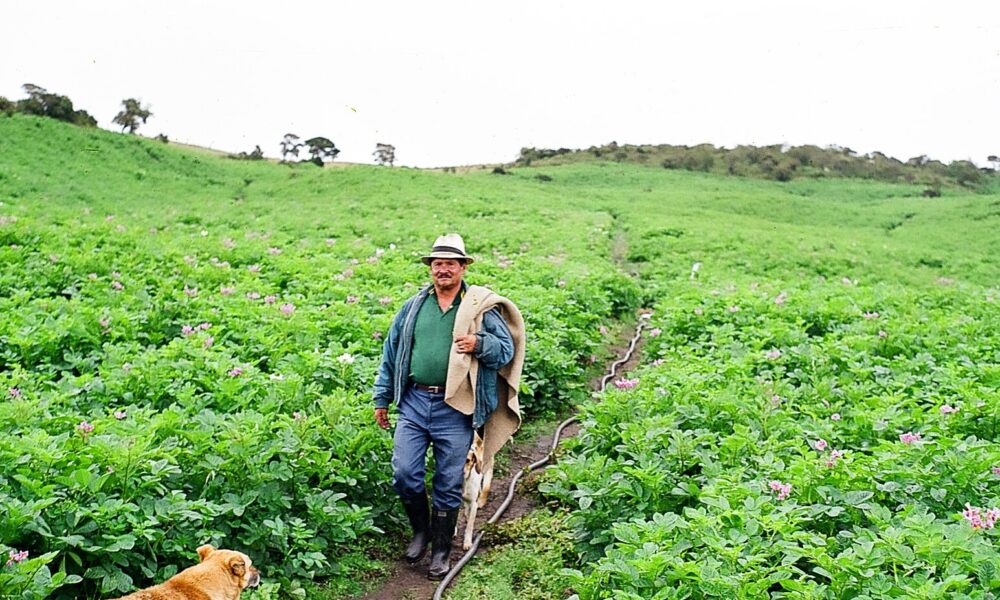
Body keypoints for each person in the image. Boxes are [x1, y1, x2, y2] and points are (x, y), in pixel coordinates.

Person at [373, 233, 526, 580]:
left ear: (462, 267)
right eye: (437, 264)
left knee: (447, 480)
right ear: (431, 268)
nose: (443, 270)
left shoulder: (479, 308)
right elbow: (391, 353)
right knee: (405, 473)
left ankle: (441, 550)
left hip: (457, 406)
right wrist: (382, 398)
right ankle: (421, 532)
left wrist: (479, 343)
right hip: (413, 401)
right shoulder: (413, 308)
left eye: (450, 264)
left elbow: (505, 351)